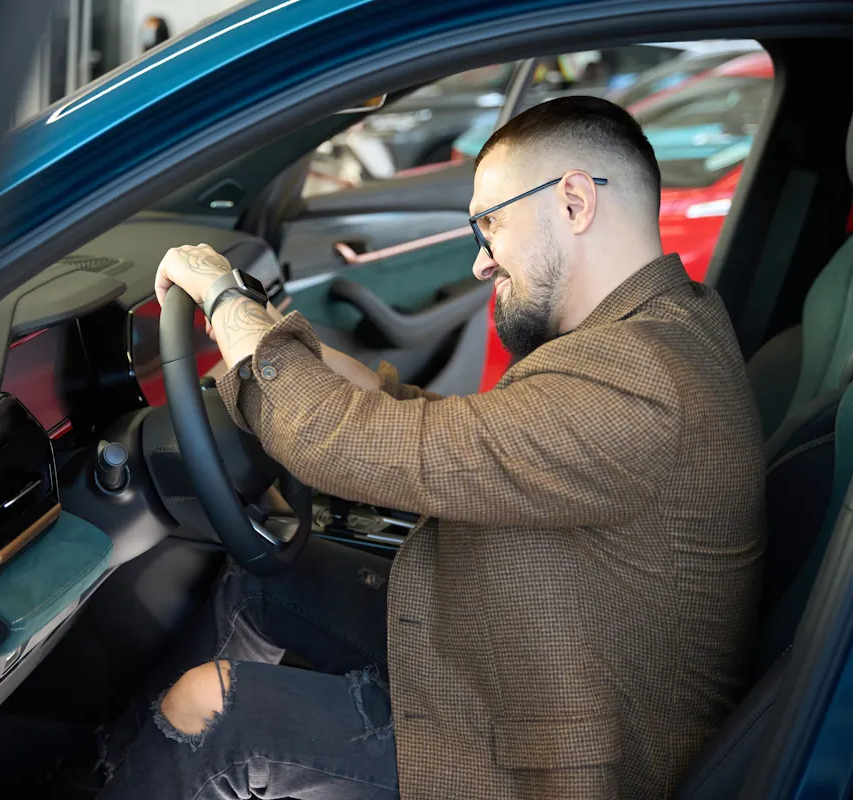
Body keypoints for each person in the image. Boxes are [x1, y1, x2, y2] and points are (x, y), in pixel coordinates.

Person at [98, 96, 765, 799]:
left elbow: (345, 442)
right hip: (535, 667)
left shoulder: (643, 376)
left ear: (572, 203)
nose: (481, 263)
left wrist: (225, 303)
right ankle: (117, 774)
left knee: (213, 712)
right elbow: (437, 427)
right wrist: (271, 337)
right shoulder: (651, 334)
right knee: (262, 583)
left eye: (490, 226)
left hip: (558, 763)